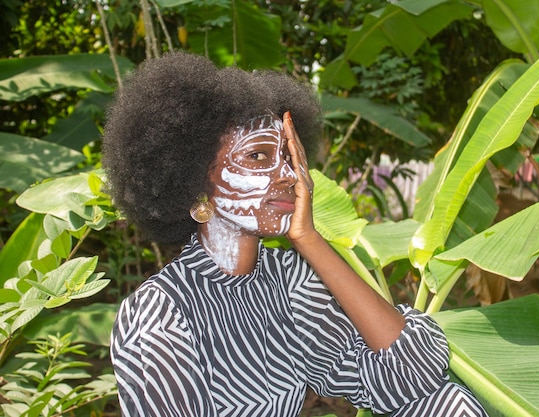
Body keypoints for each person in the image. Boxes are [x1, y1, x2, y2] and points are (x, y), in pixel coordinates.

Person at [103, 51, 488, 417]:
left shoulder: (287, 279)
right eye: (257, 156)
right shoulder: (159, 314)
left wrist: (308, 239)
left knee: (447, 403)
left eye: (288, 157)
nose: (288, 176)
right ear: (196, 190)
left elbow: (412, 371)